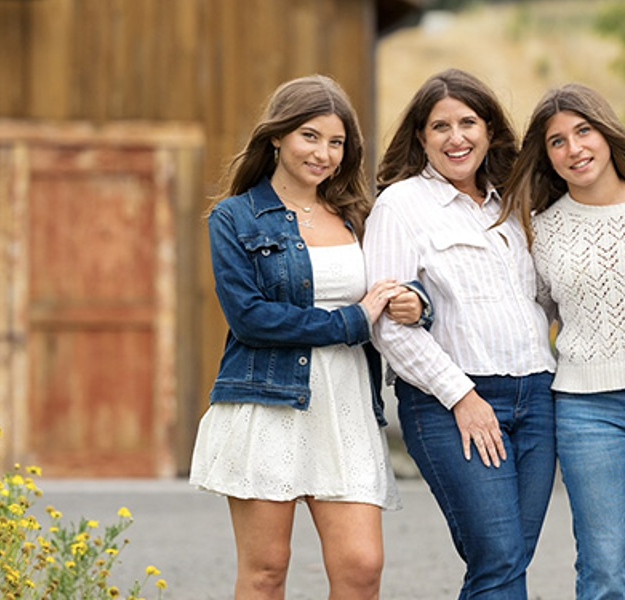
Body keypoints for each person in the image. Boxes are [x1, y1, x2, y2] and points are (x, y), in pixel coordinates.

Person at [189, 75, 424, 600]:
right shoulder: (235, 218)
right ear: (277, 137)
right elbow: (250, 318)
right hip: (267, 401)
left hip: (346, 409)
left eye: (336, 142)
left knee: (361, 569)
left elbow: (406, 285)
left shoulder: (360, 216)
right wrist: (350, 322)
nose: (324, 153)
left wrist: (415, 304)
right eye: (309, 136)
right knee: (267, 572)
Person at [501, 83, 625, 600]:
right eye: (558, 142)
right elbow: (532, 312)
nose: (575, 149)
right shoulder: (540, 230)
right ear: (546, 157)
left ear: (607, 133)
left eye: (583, 131)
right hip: (584, 410)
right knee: (602, 567)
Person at [364, 68, 557, 599]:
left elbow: (543, 301)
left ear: (489, 130)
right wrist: (463, 397)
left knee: (509, 560)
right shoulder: (400, 206)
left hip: (537, 397)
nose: (456, 138)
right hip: (453, 403)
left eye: (468, 122)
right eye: (440, 126)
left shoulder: (516, 204)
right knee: (498, 558)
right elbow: (387, 325)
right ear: (421, 138)